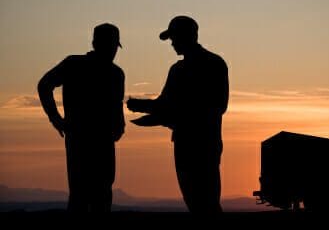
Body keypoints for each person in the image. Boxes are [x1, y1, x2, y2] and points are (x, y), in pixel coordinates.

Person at [127, 15, 229, 213]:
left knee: (206, 201)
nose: (172, 43)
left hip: (203, 143)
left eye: (174, 38)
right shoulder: (179, 69)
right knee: (193, 200)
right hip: (186, 142)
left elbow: (217, 106)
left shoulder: (212, 64)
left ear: (188, 36)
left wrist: (151, 109)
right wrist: (142, 106)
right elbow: (165, 105)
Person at [38, 23, 125, 212]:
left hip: (102, 141)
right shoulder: (74, 64)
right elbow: (44, 85)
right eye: (109, 46)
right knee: (81, 193)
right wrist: (55, 118)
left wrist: (119, 127)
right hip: (81, 140)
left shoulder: (116, 73)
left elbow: (117, 107)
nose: (112, 52)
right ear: (95, 43)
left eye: (113, 47)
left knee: (101, 193)